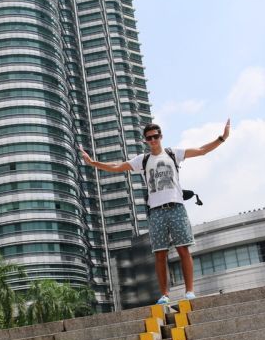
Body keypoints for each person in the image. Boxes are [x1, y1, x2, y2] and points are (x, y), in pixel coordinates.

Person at [80, 120, 231, 305]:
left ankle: (189, 291)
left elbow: (201, 150)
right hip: (156, 211)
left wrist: (222, 138)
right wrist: (93, 162)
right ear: (145, 140)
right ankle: (165, 294)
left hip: (176, 207)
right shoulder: (142, 160)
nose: (153, 140)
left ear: (161, 136)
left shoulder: (173, 153)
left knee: (183, 249)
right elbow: (117, 167)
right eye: (149, 138)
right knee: (160, 254)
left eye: (155, 136)